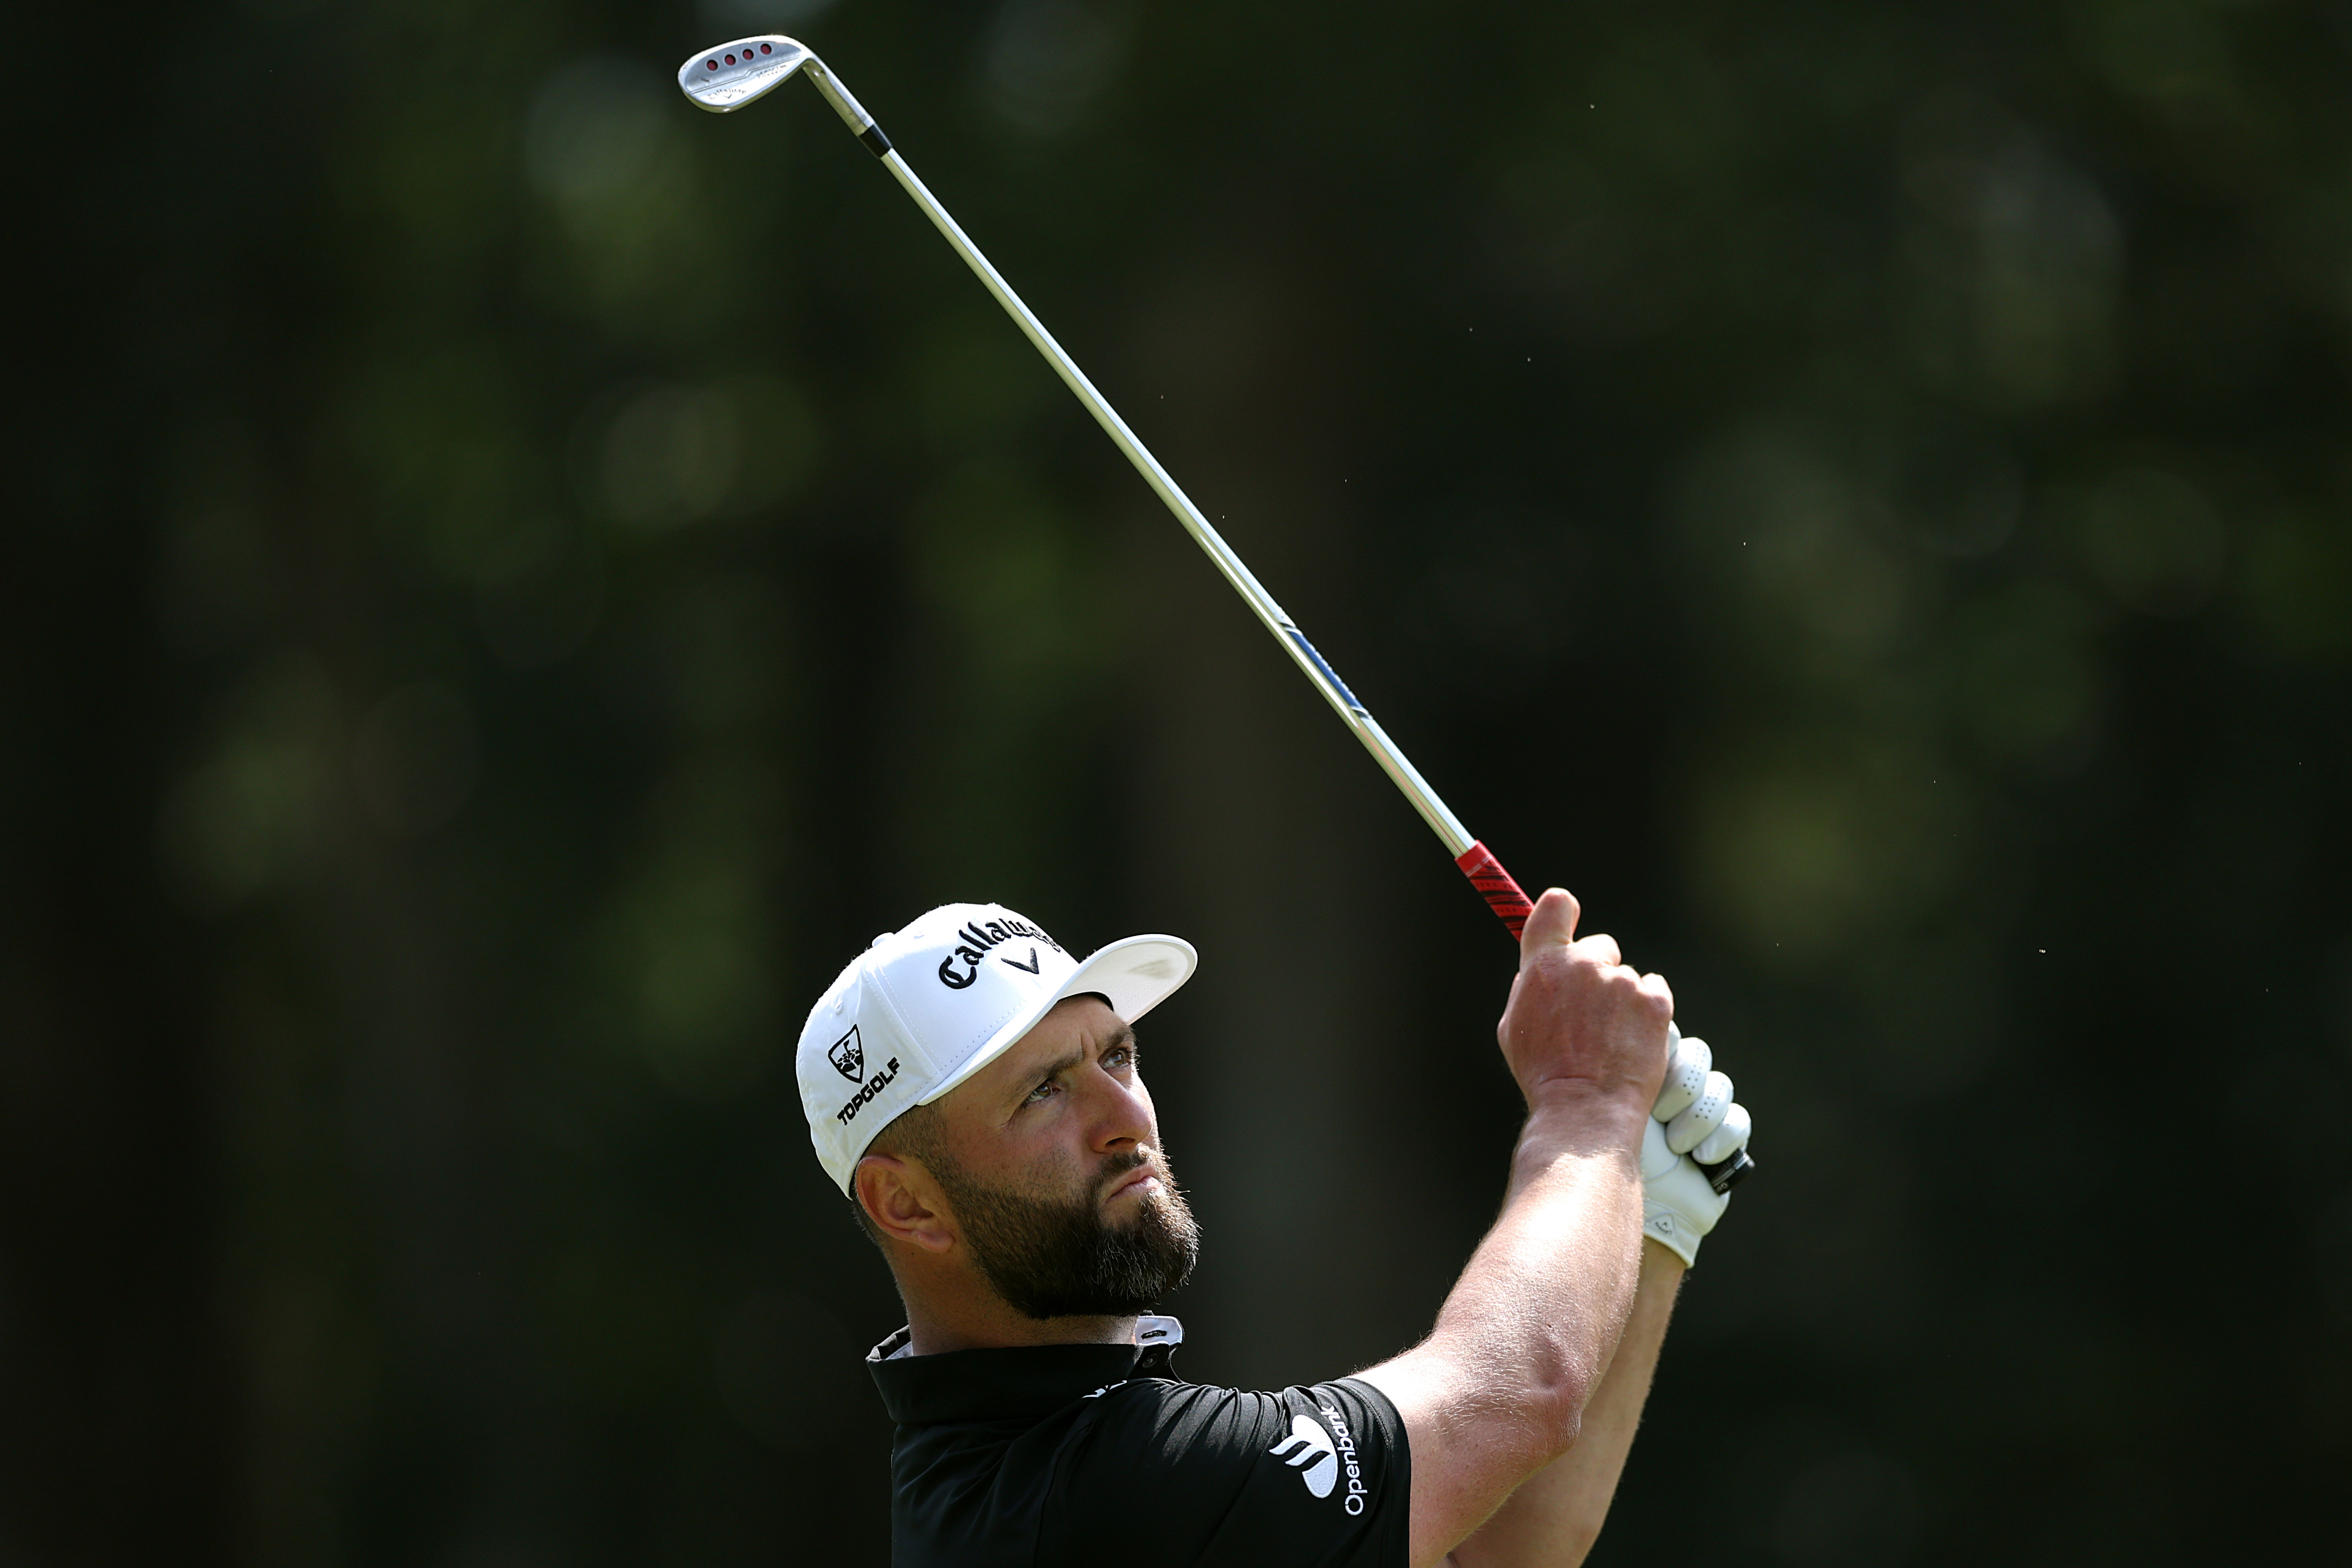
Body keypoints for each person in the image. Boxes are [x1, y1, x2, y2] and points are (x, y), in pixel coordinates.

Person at [794, 892, 1750, 1567]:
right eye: (1043, 1090)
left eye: (1115, 1052)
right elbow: (1519, 1391)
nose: (1122, 1112)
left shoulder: (1029, 1457)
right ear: (906, 1203)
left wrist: (1652, 1211)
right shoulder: (1090, 1492)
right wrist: (1586, 1107)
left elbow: (1487, 1549)